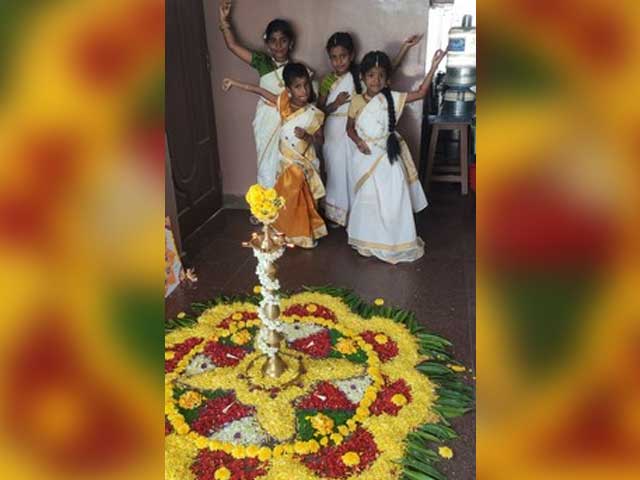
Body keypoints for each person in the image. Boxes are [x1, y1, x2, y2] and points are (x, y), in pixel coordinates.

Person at [346, 49, 446, 264]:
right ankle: (368, 241)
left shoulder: (393, 98)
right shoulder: (356, 101)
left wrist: (434, 65)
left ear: (388, 79)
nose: (376, 80)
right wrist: (358, 142)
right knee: (368, 199)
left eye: (381, 75)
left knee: (392, 199)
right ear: (363, 77)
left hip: (388, 158)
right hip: (365, 157)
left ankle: (393, 241)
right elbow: (349, 128)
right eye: (371, 75)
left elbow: (420, 93)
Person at [318, 32, 422, 227]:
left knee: (356, 170)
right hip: (334, 128)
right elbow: (318, 110)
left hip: (360, 128)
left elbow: (386, 70)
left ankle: (357, 214)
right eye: (334, 57)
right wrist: (335, 104)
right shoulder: (327, 81)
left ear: (351, 55)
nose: (339, 61)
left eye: (343, 56)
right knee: (336, 171)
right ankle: (336, 215)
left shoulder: (360, 74)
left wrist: (404, 48)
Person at [223, 63, 327, 248]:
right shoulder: (284, 105)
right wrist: (234, 83)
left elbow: (320, 140)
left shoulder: (314, 114)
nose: (304, 91)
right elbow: (259, 91)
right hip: (285, 162)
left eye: (306, 85)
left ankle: (304, 235)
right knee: (288, 199)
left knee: (303, 199)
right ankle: (289, 232)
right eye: (297, 86)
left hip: (304, 163)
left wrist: (307, 136)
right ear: (288, 89)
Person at [219, 0, 309, 190]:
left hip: (289, 119)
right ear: (267, 44)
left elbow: (306, 97)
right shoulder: (262, 62)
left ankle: (289, 202)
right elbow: (233, 46)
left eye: (283, 40)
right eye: (273, 41)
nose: (278, 45)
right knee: (267, 161)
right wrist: (224, 22)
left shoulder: (296, 70)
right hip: (267, 120)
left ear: (291, 43)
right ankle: (267, 201)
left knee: (289, 161)